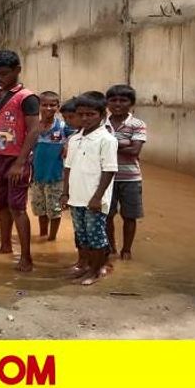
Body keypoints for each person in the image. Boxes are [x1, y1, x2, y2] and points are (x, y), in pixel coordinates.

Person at [0, 50, 40, 272]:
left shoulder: (27, 98)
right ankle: (5, 246)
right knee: (1, 205)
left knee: (18, 208)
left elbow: (33, 131)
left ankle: (26, 257)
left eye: (3, 73)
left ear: (17, 71)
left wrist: (21, 163)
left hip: (16, 160)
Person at [61, 94, 118, 285]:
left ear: (102, 115)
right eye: (81, 114)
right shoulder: (75, 138)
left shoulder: (106, 140)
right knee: (81, 234)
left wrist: (97, 197)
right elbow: (68, 168)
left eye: (90, 114)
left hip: (95, 199)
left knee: (96, 237)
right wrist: (65, 192)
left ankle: (95, 270)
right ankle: (85, 265)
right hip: (76, 197)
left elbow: (109, 171)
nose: (85, 118)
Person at [105, 84, 147, 260]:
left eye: (123, 100)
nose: (117, 104)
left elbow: (134, 151)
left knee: (130, 216)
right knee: (107, 215)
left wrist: (109, 144)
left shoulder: (138, 124)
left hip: (130, 178)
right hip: (106, 178)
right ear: (107, 103)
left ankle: (127, 250)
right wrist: (124, 143)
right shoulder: (100, 123)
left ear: (131, 103)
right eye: (113, 100)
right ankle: (111, 248)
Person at [31, 91, 68, 241]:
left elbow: (77, 136)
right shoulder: (33, 127)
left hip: (56, 177)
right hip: (37, 177)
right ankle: (42, 235)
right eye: (44, 105)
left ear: (58, 107)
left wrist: (68, 145)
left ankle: (52, 239)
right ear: (39, 106)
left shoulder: (63, 126)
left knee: (55, 209)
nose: (48, 108)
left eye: (52, 105)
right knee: (40, 209)